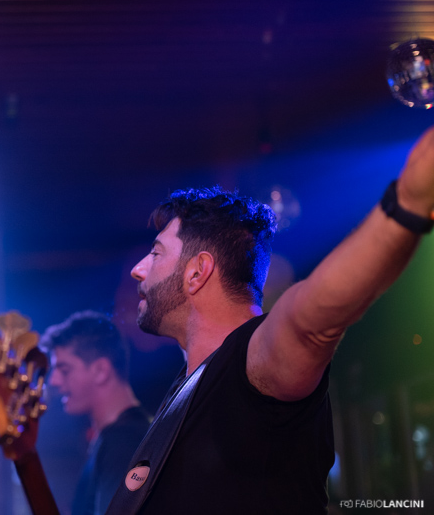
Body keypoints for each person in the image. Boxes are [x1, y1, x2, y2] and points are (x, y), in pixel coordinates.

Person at [104, 127, 434, 514]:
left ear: (197, 273)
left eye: (156, 253)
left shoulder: (252, 361)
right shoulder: (186, 387)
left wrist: (406, 204)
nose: (138, 269)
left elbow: (309, 318)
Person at [42, 311, 152, 515]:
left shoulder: (123, 442)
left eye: (65, 370)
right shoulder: (118, 437)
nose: (54, 381)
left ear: (101, 370)